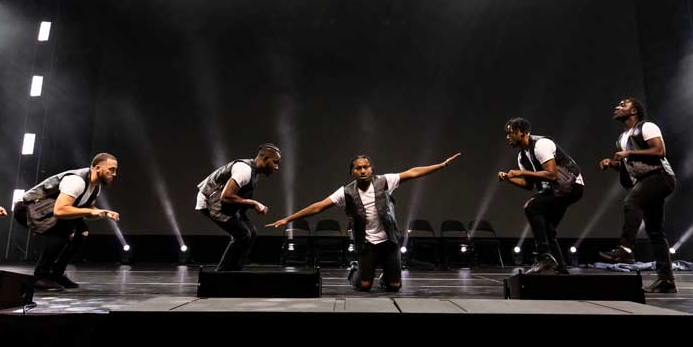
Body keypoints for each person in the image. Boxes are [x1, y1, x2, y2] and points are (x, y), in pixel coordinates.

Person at [268, 152, 461, 291]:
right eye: (358, 168)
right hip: (367, 243)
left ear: (371, 169)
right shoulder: (346, 192)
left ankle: (387, 275)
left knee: (394, 287)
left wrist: (441, 165)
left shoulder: (385, 181)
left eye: (365, 167)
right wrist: (288, 218)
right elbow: (318, 206)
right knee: (364, 286)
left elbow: (413, 172)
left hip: (389, 241)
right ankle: (355, 271)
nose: (362, 170)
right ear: (352, 171)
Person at [598, 98, 678, 294]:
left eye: (622, 105)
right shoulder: (622, 137)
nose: (617, 107)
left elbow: (659, 151)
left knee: (631, 201)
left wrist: (629, 155)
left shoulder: (647, 127)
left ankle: (625, 249)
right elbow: (629, 165)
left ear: (633, 110)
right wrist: (612, 163)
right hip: (646, 181)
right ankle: (666, 280)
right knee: (655, 231)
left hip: (660, 177)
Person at [16, 153, 120, 291]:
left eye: (115, 170)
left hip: (50, 209)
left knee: (81, 232)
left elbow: (86, 209)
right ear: (97, 168)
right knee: (63, 232)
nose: (114, 174)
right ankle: (40, 277)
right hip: (30, 208)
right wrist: (90, 212)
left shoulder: (95, 187)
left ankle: (56, 274)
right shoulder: (77, 181)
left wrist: (103, 212)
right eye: (111, 169)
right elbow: (60, 211)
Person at [499, 118, 584, 274]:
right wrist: (510, 179)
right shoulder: (522, 156)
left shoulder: (541, 145)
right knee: (548, 230)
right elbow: (528, 185)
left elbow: (552, 175)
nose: (507, 137)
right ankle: (560, 269)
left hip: (570, 186)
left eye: (510, 133)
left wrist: (521, 172)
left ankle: (543, 256)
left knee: (532, 207)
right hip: (556, 190)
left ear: (522, 132)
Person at [195, 144, 282, 271]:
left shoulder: (253, 172)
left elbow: (236, 196)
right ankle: (221, 276)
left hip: (224, 202)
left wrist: (248, 207)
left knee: (251, 233)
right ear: (265, 158)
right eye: (275, 162)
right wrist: (254, 203)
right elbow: (226, 196)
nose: (277, 167)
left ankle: (236, 271)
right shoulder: (245, 170)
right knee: (242, 235)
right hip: (210, 201)